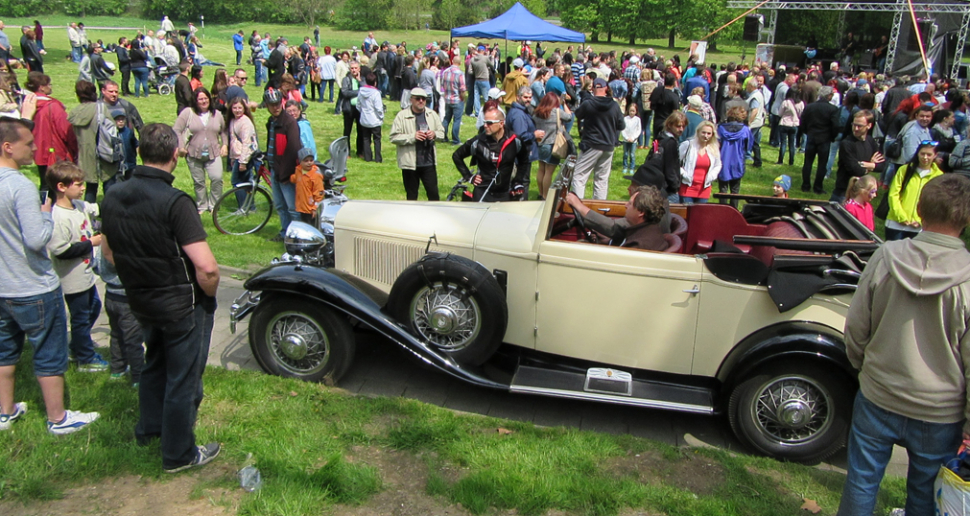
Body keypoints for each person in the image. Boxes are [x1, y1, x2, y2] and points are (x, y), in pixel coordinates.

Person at [838, 173, 970, 516]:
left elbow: (856, 326)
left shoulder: (886, 256)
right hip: (939, 409)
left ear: (920, 210)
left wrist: (863, 366)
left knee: (861, 482)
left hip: (880, 390)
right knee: (925, 495)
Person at [100, 122, 221, 473]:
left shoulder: (112, 194)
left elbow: (108, 253)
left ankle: (149, 429)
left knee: (154, 362)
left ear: (139, 152)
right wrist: (208, 299)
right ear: (175, 154)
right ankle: (179, 454)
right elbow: (208, 268)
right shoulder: (176, 202)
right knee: (182, 377)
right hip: (181, 304)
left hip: (140, 299)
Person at [0, 117, 100, 435]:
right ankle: (57, 418)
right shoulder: (21, 186)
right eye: (28, 143)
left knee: (4, 351)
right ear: (7, 147)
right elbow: (36, 239)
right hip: (33, 285)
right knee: (49, 352)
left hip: (2, 288)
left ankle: (6, 411)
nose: (34, 147)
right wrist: (45, 218)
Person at [45, 161, 108, 373]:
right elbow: (61, 251)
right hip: (71, 279)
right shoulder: (57, 217)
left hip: (86, 275)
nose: (83, 188)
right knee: (80, 318)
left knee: (93, 309)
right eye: (78, 184)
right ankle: (85, 358)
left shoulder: (79, 206)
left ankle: (76, 347)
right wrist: (91, 243)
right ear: (61, 187)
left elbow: (99, 208)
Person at [452, 103, 530, 202]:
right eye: (484, 122)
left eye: (489, 123)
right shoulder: (478, 141)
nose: (485, 125)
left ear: (501, 123)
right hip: (482, 191)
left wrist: (518, 181)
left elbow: (524, 160)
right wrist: (469, 176)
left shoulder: (514, 140)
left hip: (505, 192)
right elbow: (457, 156)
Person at [563, 185, 669, 251]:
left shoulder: (639, 244)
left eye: (630, 203)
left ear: (641, 212)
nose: (625, 205)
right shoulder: (643, 229)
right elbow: (617, 232)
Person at [173, 87, 227, 213]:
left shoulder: (217, 114)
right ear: (195, 101)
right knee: (199, 182)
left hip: (214, 153)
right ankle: (202, 205)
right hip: (193, 153)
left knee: (217, 178)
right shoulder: (188, 113)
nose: (203, 101)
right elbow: (176, 129)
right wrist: (181, 147)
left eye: (205, 98)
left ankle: (214, 205)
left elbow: (224, 131)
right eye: (200, 99)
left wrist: (225, 145)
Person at [572, 78, 624, 200]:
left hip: (591, 145)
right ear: (606, 88)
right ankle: (598, 212)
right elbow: (621, 125)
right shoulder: (614, 105)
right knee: (601, 180)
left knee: (579, 176)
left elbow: (578, 114)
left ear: (593, 88)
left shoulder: (588, 103)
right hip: (608, 146)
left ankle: (578, 209)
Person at [390, 87, 445, 201]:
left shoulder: (432, 114)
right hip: (410, 164)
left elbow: (442, 133)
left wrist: (434, 134)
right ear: (411, 100)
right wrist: (412, 137)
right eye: (418, 99)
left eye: (424, 99)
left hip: (428, 163)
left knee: (434, 195)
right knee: (411, 197)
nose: (421, 101)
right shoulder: (402, 116)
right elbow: (393, 137)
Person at [26, 73, 77, 191]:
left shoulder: (28, 103)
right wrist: (74, 147)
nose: (50, 87)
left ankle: (43, 206)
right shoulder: (53, 106)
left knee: (44, 183)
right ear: (41, 87)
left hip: (37, 149)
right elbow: (66, 130)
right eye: (48, 84)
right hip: (54, 151)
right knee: (58, 186)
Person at [885, 142, 944, 240]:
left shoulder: (939, 176)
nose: (925, 157)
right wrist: (901, 216)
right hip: (896, 223)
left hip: (920, 227)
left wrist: (921, 220)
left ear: (935, 155)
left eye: (929, 155)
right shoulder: (904, 170)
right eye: (922, 153)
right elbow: (893, 194)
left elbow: (937, 202)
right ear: (917, 153)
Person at [263, 88, 301, 242]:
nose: (275, 107)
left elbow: (294, 148)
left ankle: (297, 234)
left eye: (278, 103)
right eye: (272, 104)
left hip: (286, 172)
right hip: (275, 169)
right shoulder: (271, 122)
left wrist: (285, 172)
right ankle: (285, 231)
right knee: (280, 205)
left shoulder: (289, 123)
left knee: (292, 207)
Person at [831, 110, 886, 202]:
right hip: (843, 192)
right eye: (854, 124)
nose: (855, 128)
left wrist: (867, 165)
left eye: (859, 126)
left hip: (861, 194)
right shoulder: (847, 143)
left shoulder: (871, 141)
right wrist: (872, 164)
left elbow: (882, 166)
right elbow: (855, 170)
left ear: (869, 125)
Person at [532, 92, 572, 198]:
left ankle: (540, 193)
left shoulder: (537, 112)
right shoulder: (556, 111)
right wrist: (564, 104)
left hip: (540, 144)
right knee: (549, 172)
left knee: (541, 169)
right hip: (552, 145)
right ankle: (546, 196)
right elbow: (569, 117)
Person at [800, 86, 839, 194]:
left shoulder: (810, 107)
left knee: (807, 162)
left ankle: (805, 185)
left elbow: (802, 121)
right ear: (829, 95)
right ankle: (818, 187)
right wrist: (832, 136)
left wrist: (807, 132)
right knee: (822, 165)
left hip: (811, 136)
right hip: (824, 139)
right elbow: (835, 125)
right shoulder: (833, 109)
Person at [506, 86, 542, 200]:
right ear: (518, 97)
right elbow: (520, 135)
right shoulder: (518, 115)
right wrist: (534, 135)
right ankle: (521, 204)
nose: (528, 100)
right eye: (525, 97)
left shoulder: (522, 111)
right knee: (521, 182)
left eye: (530, 97)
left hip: (521, 154)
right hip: (520, 156)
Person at [643, 112, 688, 203]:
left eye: (683, 126)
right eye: (678, 126)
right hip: (667, 189)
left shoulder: (661, 137)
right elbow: (670, 167)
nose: (681, 129)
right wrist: (675, 186)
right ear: (669, 125)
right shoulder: (670, 142)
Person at [717, 105, 753, 208]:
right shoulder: (745, 130)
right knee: (735, 190)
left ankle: (722, 210)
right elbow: (748, 146)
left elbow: (716, 144)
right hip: (737, 161)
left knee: (723, 189)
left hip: (723, 161)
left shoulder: (721, 128)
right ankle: (734, 211)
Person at [678, 121, 721, 204]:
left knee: (700, 216)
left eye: (709, 133)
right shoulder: (688, 145)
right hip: (687, 188)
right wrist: (684, 174)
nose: (706, 136)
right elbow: (675, 162)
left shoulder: (714, 148)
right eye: (703, 132)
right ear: (698, 132)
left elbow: (718, 165)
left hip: (704, 190)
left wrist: (712, 176)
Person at [226, 97, 258, 208]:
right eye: (235, 108)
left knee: (238, 182)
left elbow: (246, 143)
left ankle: (245, 207)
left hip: (244, 157)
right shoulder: (233, 120)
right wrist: (232, 158)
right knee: (244, 183)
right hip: (237, 156)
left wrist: (243, 162)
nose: (237, 110)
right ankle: (247, 207)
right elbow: (233, 141)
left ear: (244, 108)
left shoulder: (245, 123)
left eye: (240, 107)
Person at [357, 72, 384, 163]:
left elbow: (358, 105)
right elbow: (378, 108)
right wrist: (381, 117)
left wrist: (363, 112)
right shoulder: (376, 93)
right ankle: (378, 158)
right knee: (377, 139)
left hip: (364, 119)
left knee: (366, 139)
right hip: (375, 120)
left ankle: (367, 157)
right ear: (375, 82)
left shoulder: (361, 91)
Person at [291, 148, 323, 224]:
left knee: (311, 226)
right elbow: (297, 178)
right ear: (300, 162)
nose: (309, 163)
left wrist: (315, 208)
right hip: (301, 207)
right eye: (306, 161)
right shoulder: (298, 170)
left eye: (311, 160)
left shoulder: (315, 175)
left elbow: (319, 192)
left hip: (310, 208)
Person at [440, 56, 467, 145]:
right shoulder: (460, 73)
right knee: (457, 120)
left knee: (446, 118)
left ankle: (443, 136)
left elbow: (442, 84)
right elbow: (462, 89)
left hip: (447, 99)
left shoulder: (445, 72)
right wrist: (463, 98)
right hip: (457, 99)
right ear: (460, 63)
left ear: (452, 61)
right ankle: (455, 139)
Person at [339, 61, 363, 157]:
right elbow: (345, 93)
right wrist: (358, 92)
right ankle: (346, 151)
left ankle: (360, 151)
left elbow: (366, 89)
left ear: (359, 69)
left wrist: (360, 81)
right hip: (349, 108)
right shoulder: (346, 79)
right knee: (347, 131)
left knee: (360, 131)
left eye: (355, 68)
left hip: (359, 109)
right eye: (352, 68)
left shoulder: (362, 79)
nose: (354, 70)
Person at [776, 87, 803, 166]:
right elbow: (801, 114)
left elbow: (780, 113)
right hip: (794, 124)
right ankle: (791, 161)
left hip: (784, 123)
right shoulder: (801, 103)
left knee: (783, 142)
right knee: (792, 143)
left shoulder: (786, 102)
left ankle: (780, 160)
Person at [285, 100, 317, 165]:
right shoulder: (287, 124)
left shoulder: (303, 125)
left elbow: (308, 144)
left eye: (294, 110)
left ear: (299, 111)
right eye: (289, 111)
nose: (292, 113)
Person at [621, 103, 641, 176]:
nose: (632, 112)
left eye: (633, 111)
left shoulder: (637, 119)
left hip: (633, 141)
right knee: (625, 154)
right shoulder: (625, 119)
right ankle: (625, 167)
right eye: (630, 111)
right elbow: (623, 129)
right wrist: (626, 138)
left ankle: (632, 168)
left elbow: (639, 130)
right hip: (626, 140)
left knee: (632, 154)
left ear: (636, 111)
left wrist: (633, 138)